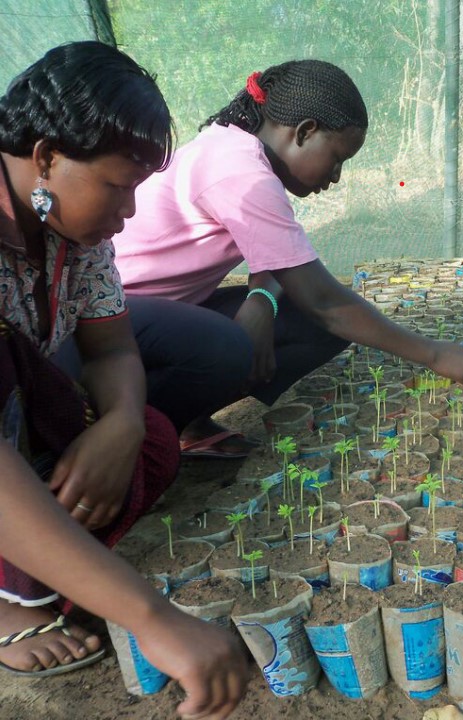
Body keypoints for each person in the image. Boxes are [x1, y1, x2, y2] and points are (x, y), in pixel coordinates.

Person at [0, 42, 247, 716]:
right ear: (47, 156)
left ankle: (43, 555)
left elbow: (110, 350)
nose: (130, 212)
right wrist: (152, 616)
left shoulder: (73, 238)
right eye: (118, 186)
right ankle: (9, 602)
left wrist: (121, 424)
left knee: (156, 444)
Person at [107, 60, 463, 457]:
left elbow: (282, 262)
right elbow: (323, 301)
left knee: (297, 318)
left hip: (157, 312)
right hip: (111, 322)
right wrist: (433, 353)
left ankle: (186, 422)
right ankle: (140, 431)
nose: (337, 176)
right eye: (337, 158)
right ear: (305, 132)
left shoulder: (237, 149)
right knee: (243, 341)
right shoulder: (241, 173)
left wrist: (262, 301)